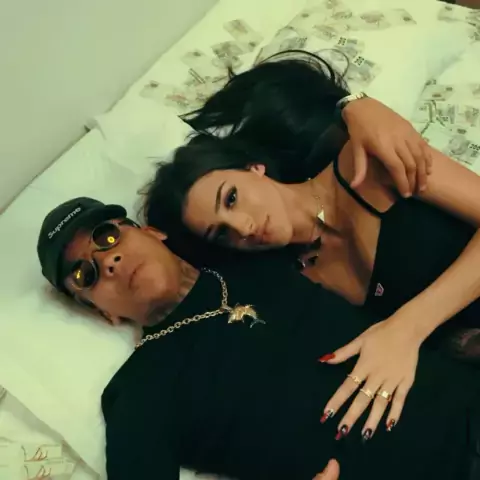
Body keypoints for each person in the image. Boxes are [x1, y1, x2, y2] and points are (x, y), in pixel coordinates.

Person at [142, 52, 480, 441]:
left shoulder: (361, 163)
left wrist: (406, 327)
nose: (243, 227)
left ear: (254, 168)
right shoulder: (298, 280)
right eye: (221, 233)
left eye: (232, 198)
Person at [37, 197, 480, 480]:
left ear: (151, 231)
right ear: (103, 312)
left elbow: (312, 181)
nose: (108, 262)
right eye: (86, 275)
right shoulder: (139, 393)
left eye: (107, 236)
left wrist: (355, 107)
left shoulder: (251, 251)